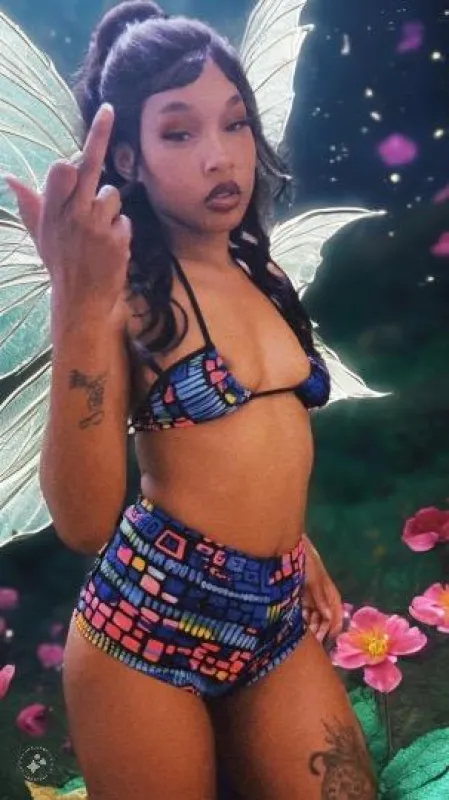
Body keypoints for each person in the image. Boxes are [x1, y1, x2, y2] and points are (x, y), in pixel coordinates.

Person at [6, 2, 377, 797]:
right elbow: (82, 522)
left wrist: (299, 549)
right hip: (147, 631)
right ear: (129, 160)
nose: (219, 156)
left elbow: (254, 443)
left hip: (274, 619)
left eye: (235, 124)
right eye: (179, 133)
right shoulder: (126, 298)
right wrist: (78, 305)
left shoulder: (261, 274)